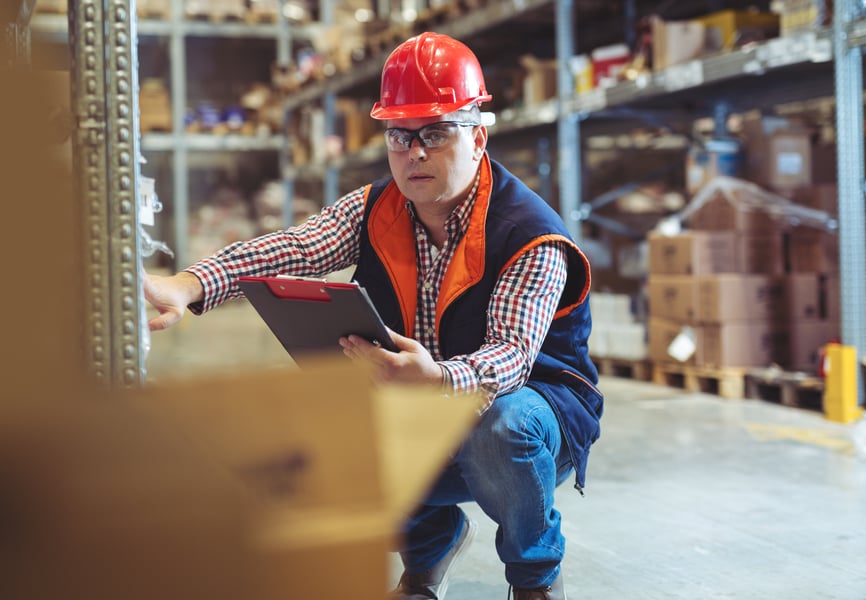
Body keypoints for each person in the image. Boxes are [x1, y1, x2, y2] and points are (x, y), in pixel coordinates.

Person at [143, 32, 604, 600]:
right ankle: (429, 548)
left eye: (435, 133)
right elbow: (293, 247)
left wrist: (435, 378)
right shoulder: (375, 209)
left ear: (478, 137)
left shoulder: (530, 234)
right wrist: (187, 286)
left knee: (501, 424)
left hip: (535, 417)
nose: (414, 153)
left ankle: (536, 577)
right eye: (399, 135)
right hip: (426, 398)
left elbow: (509, 357)